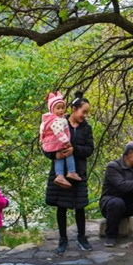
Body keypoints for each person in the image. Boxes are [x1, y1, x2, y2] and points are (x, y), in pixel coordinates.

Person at [43, 91, 94, 254]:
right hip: (60, 173)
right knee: (61, 207)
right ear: (73, 109)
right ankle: (63, 239)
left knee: (80, 207)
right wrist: (54, 155)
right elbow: (46, 144)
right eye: (83, 112)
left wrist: (74, 149)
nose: (85, 115)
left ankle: (82, 237)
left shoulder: (87, 128)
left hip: (78, 172)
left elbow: (89, 149)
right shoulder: (57, 122)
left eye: (87, 113)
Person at [40, 91, 81, 189]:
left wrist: (43, 139)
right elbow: (59, 132)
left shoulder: (47, 119)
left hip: (51, 143)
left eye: (62, 108)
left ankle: (60, 175)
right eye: (58, 108)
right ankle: (71, 171)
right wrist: (66, 142)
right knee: (67, 154)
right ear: (52, 109)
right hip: (58, 141)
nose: (61, 110)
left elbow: (42, 131)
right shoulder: (57, 120)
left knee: (59, 157)